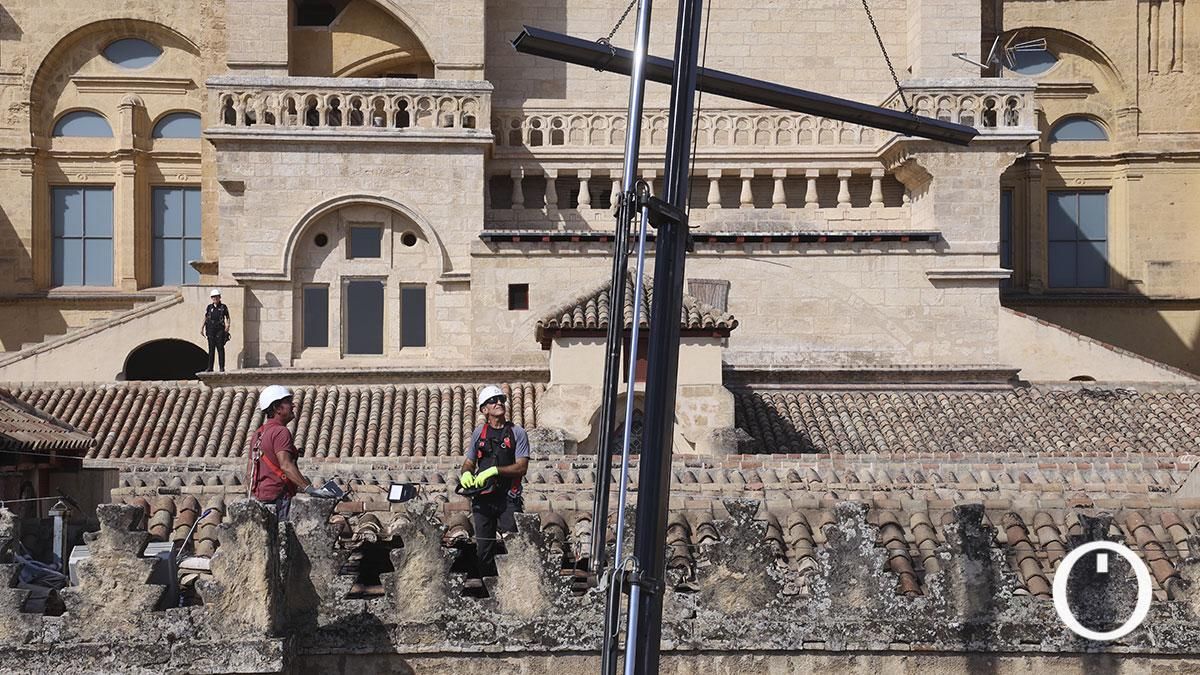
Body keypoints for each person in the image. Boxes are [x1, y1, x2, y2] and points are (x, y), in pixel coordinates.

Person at [459, 385, 530, 581]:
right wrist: (466, 474)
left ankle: (515, 587)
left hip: (508, 498)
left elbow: (521, 467)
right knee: (484, 547)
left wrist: (495, 470)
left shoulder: (517, 433)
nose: (498, 403)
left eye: (501, 399)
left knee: (514, 544)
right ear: (484, 409)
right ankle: (486, 589)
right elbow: (469, 461)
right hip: (483, 497)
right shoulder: (478, 433)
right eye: (493, 400)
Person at [247, 385, 334, 520]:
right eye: (287, 402)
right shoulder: (281, 432)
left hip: (260, 498)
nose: (293, 405)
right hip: (279, 499)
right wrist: (310, 489)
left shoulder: (258, 434)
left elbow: (250, 471)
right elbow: (286, 466)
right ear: (277, 408)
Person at [202, 289, 231, 373]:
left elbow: (228, 317)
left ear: (219, 297)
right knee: (211, 349)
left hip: (220, 330)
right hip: (210, 329)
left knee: (220, 348)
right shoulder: (209, 307)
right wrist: (202, 327)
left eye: (216, 297)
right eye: (213, 297)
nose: (215, 298)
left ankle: (221, 367)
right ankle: (210, 367)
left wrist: (228, 326)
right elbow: (206, 317)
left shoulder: (223, 307)